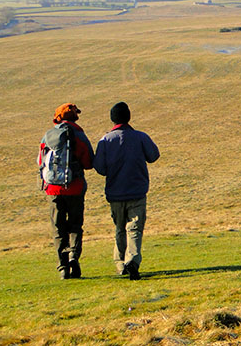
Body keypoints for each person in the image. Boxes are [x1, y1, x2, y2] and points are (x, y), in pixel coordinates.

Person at [94, 102, 160, 280]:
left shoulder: (106, 140)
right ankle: (132, 260)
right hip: (137, 191)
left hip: (115, 193)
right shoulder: (140, 137)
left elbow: (99, 167)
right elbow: (154, 156)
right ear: (129, 117)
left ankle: (120, 263)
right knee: (135, 229)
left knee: (119, 228)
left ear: (112, 118)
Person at [38, 103, 94, 279]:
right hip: (75, 187)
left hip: (53, 189)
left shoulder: (48, 136)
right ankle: (73, 257)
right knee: (75, 226)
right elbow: (89, 162)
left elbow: (40, 161)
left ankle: (62, 267)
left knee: (58, 227)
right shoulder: (79, 135)